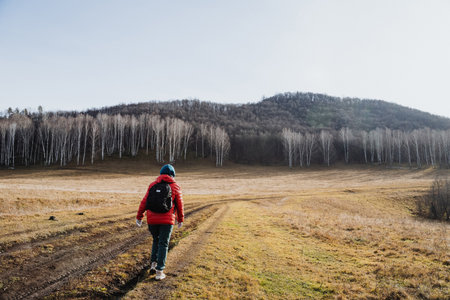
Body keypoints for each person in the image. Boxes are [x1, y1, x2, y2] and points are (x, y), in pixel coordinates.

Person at [136, 164, 184, 280]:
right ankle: (159, 271)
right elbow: (180, 205)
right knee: (163, 243)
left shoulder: (153, 185)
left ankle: (153, 263)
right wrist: (180, 219)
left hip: (152, 220)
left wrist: (139, 216)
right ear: (172, 175)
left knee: (156, 240)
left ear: (161, 173)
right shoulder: (175, 187)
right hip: (167, 221)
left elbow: (144, 202)